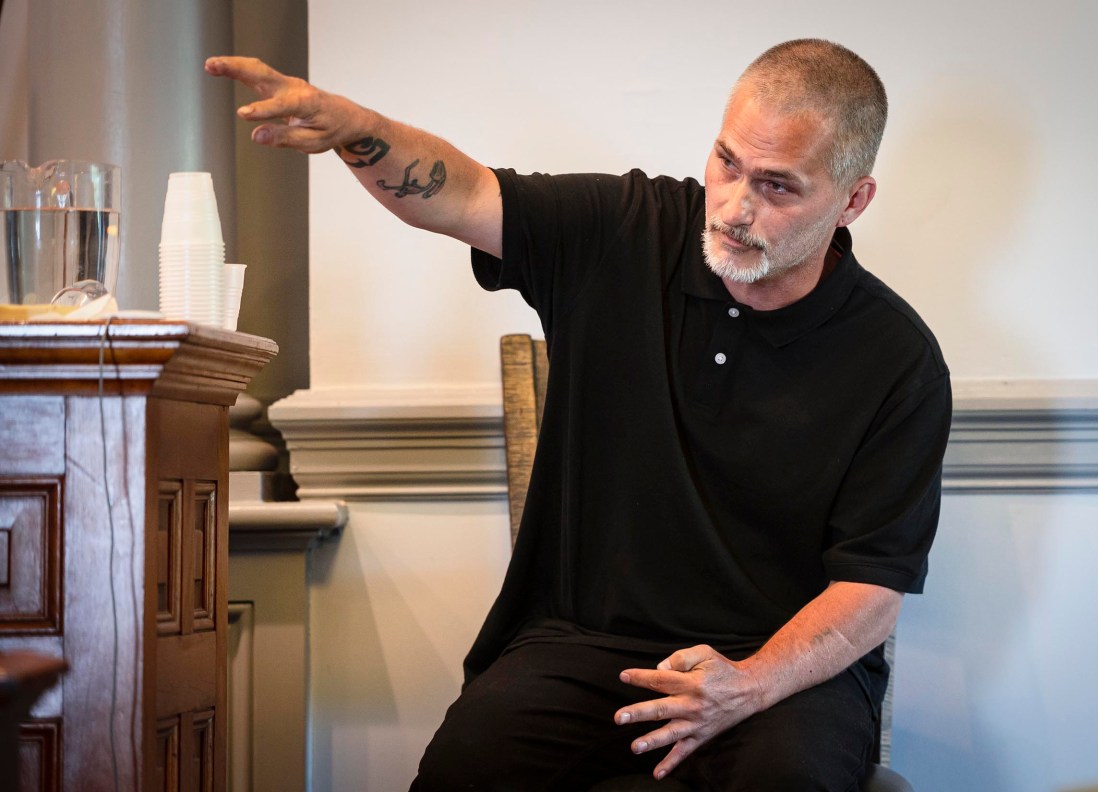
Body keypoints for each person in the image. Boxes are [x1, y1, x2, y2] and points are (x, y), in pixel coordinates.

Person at [208, 38, 951, 791]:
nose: (734, 207)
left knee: (786, 779)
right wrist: (352, 126)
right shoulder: (627, 230)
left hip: (774, 671)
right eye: (726, 163)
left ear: (853, 199)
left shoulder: (897, 360)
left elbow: (870, 590)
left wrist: (749, 683)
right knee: (467, 765)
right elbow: (463, 195)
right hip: (588, 641)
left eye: (779, 187)